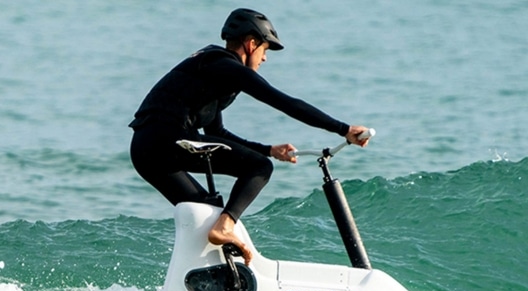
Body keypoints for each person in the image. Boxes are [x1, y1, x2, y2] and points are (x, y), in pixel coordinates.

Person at [129, 8, 370, 266]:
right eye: (264, 50)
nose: (264, 58)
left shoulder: (209, 68)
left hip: (144, 148)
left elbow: (216, 133)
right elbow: (284, 102)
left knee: (204, 213)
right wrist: (343, 129)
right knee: (259, 168)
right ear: (251, 43)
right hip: (168, 139)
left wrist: (268, 149)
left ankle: (201, 276)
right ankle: (226, 226)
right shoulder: (227, 67)